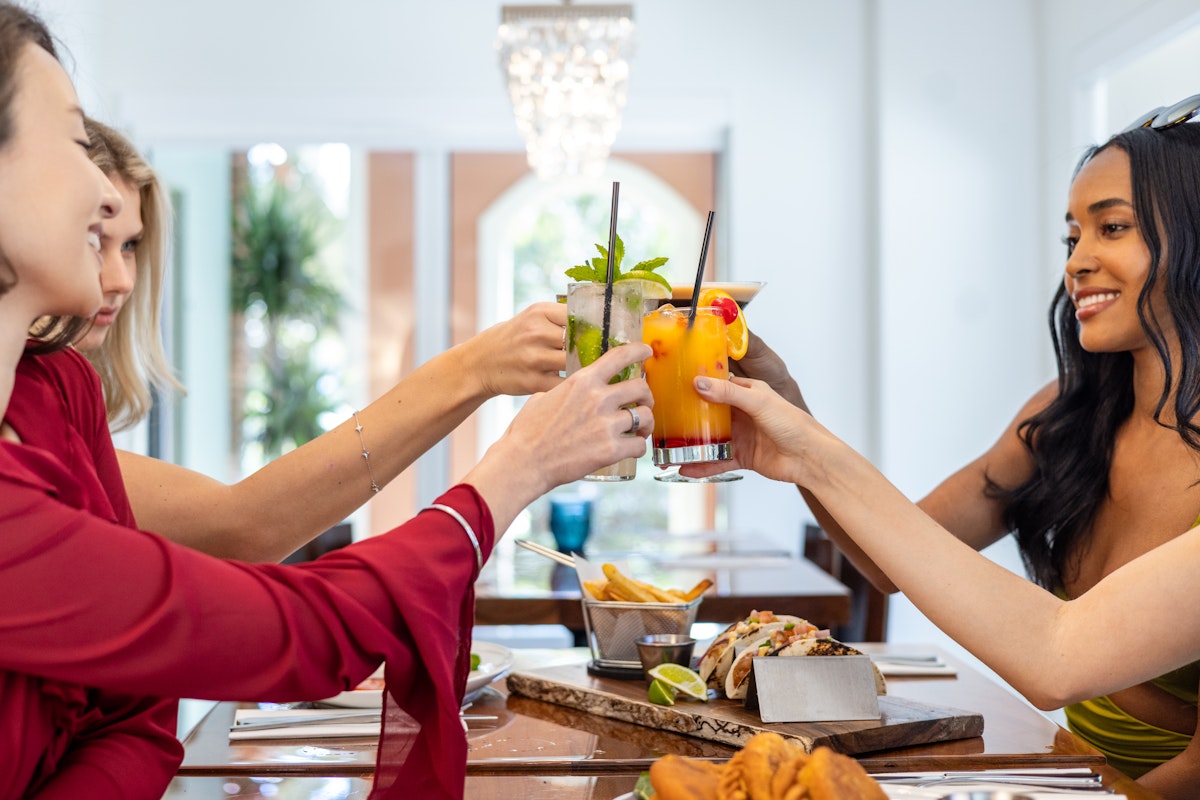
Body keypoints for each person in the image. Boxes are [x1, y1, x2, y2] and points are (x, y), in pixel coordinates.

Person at [0, 6, 654, 799]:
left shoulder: (52, 396)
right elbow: (272, 587)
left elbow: (138, 709)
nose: (101, 194)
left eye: (134, 242)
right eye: (74, 139)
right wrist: (516, 463)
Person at [689, 100, 1200, 798]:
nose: (1078, 263)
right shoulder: (1066, 415)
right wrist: (791, 415)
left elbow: (1067, 666)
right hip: (1069, 768)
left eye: (1111, 228)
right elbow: (891, 558)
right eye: (1071, 237)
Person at [66, 116, 572, 562]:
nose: (122, 280)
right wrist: (475, 372)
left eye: (130, 245)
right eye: (94, 239)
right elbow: (242, 526)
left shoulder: (67, 400)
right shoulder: (28, 413)